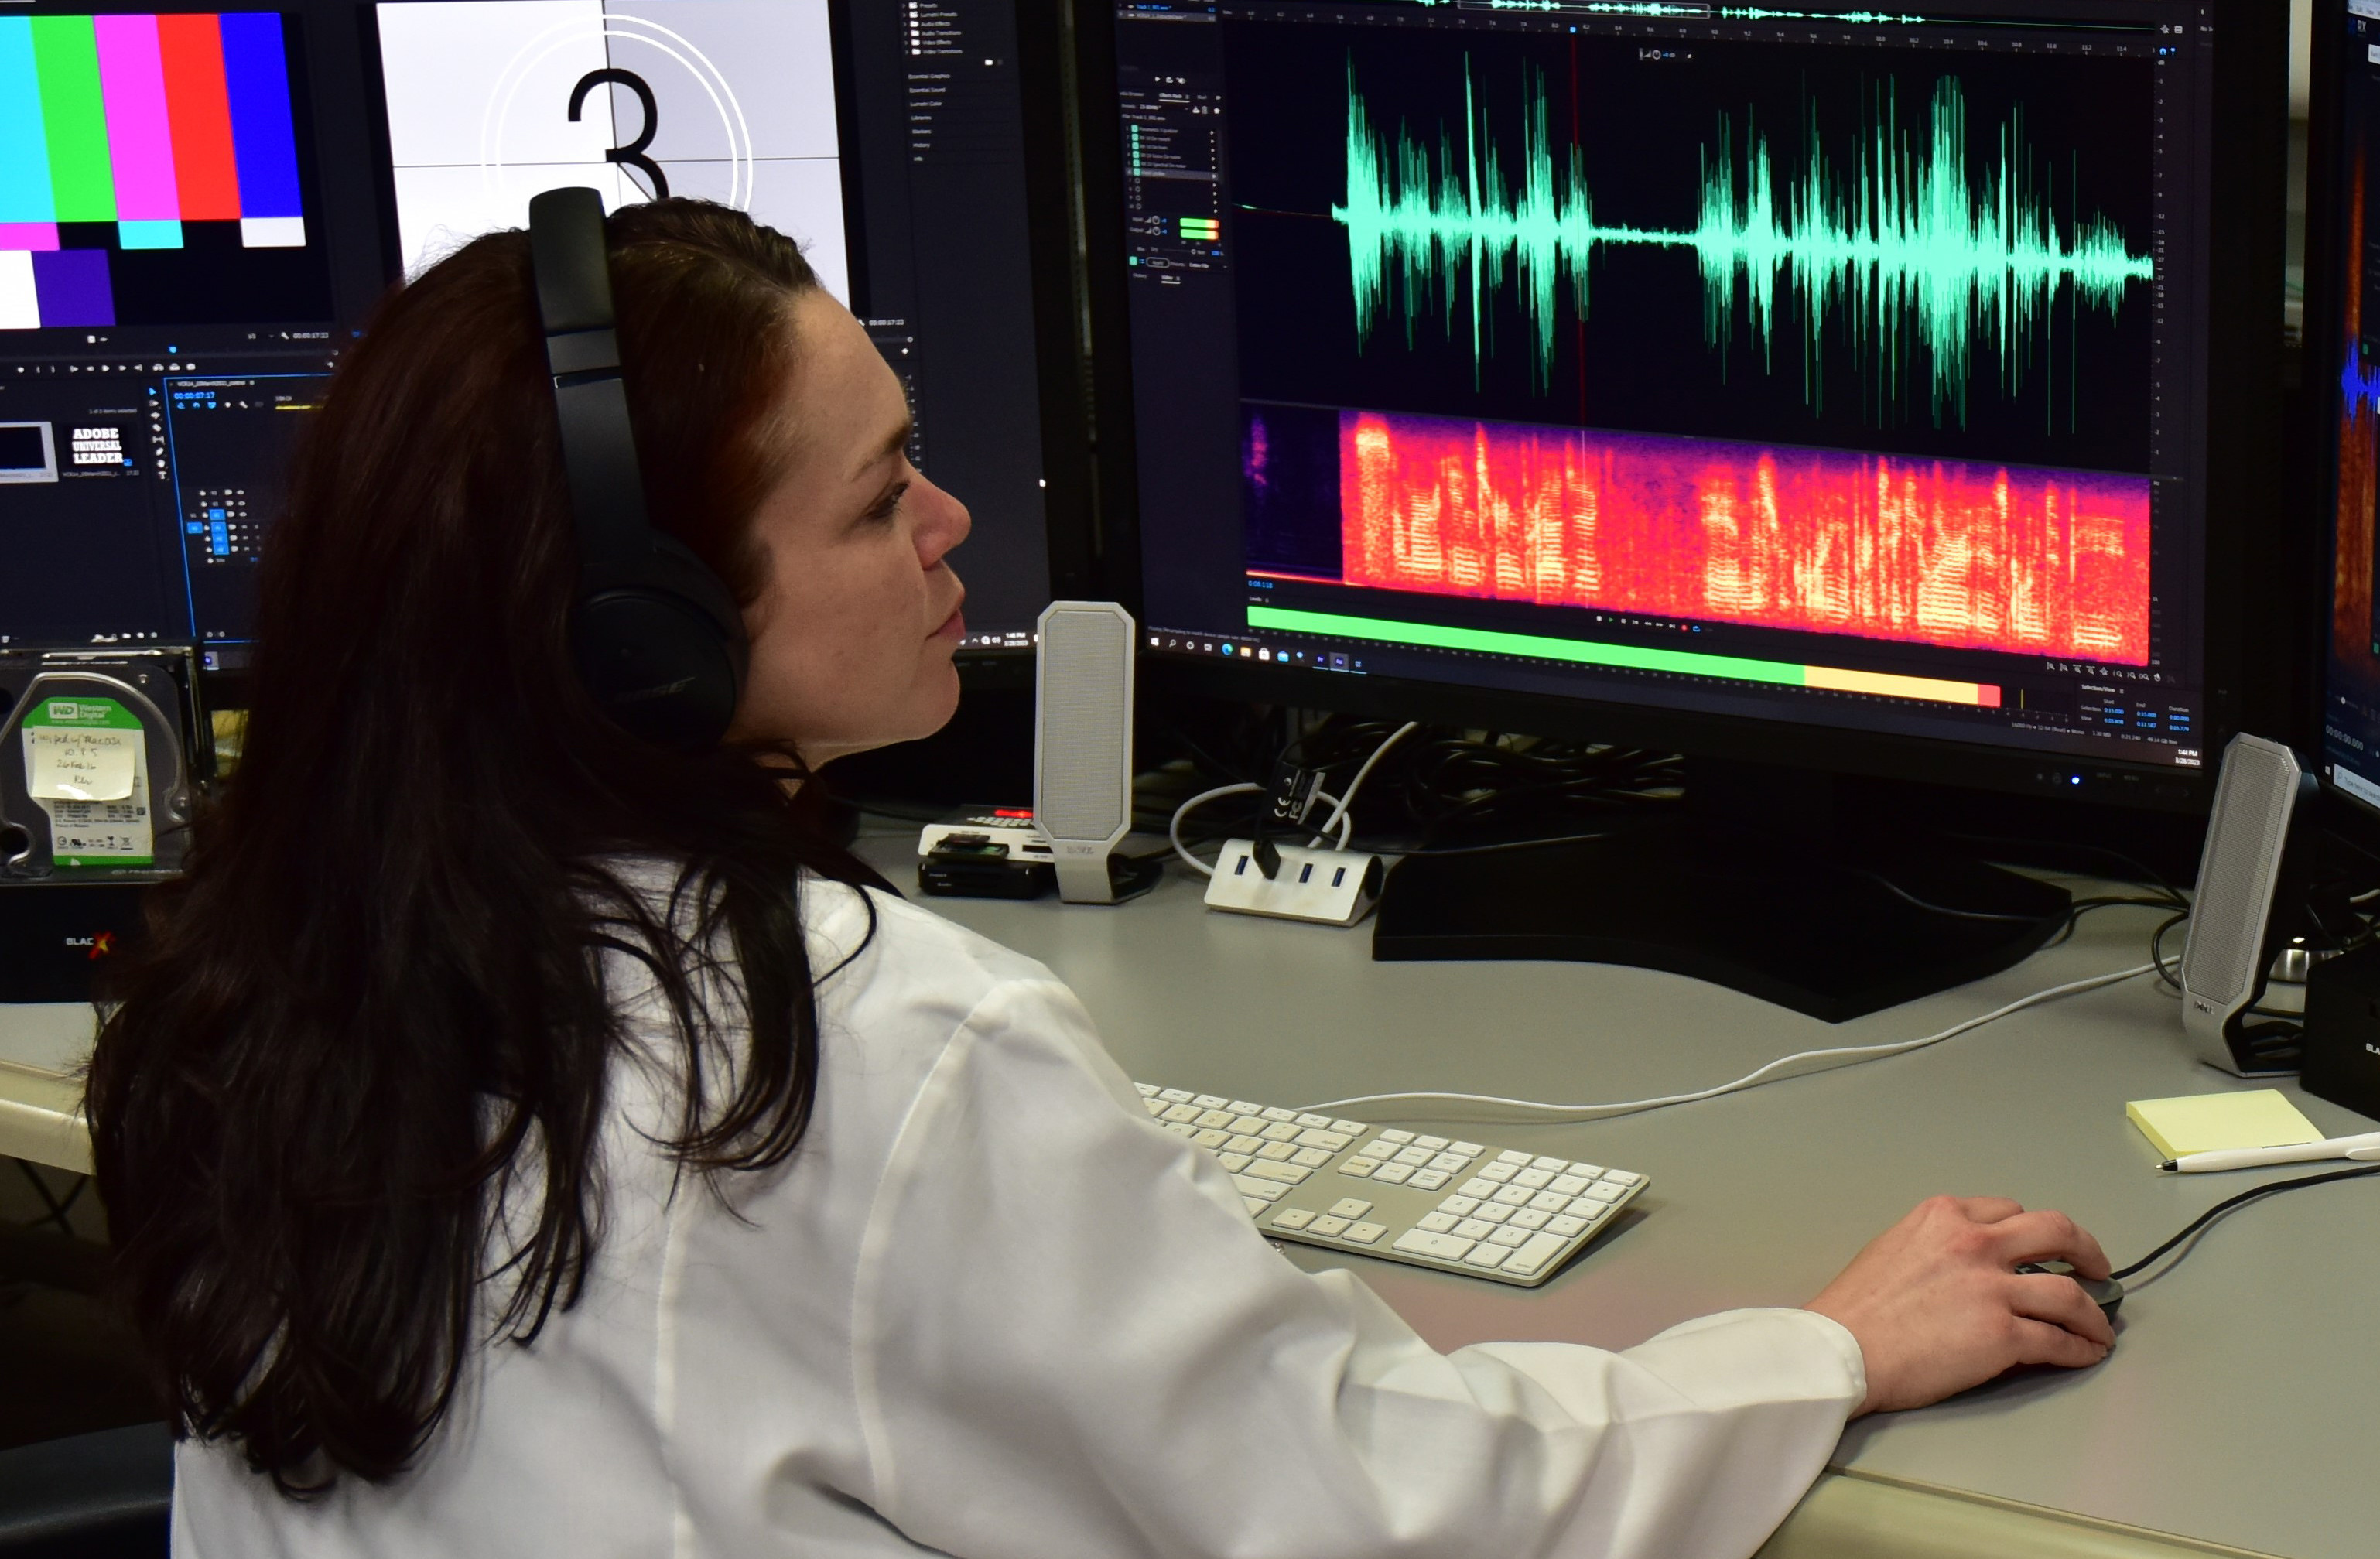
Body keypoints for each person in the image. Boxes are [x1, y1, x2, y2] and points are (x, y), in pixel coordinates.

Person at [85, 200, 2115, 1557]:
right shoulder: (860, 1050)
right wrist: (1824, 1345)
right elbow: (1376, 1518)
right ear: (650, 637)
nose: (960, 521)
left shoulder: (283, 963)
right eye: (884, 497)